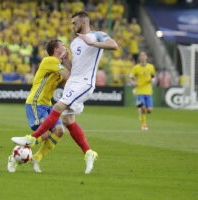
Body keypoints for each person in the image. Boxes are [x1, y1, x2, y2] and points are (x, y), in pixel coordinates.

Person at [11, 11, 118, 174]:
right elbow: (74, 69)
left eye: (74, 23)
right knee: (67, 121)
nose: (73, 26)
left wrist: (92, 43)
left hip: (84, 82)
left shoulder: (98, 35)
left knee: (58, 107)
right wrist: (66, 59)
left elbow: (114, 46)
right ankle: (88, 153)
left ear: (83, 22)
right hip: (73, 82)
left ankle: (32, 138)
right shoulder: (74, 43)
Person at [8, 39, 70, 173]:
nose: (66, 47)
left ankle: (37, 157)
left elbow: (68, 83)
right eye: (63, 45)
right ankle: (14, 156)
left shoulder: (58, 66)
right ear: (56, 49)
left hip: (47, 106)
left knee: (59, 131)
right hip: (36, 103)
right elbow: (68, 75)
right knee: (46, 133)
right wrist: (66, 63)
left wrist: (66, 62)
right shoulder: (50, 61)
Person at [130, 51, 155, 130]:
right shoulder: (136, 68)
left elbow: (153, 77)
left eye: (144, 55)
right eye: (141, 56)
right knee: (143, 108)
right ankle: (144, 125)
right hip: (139, 91)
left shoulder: (151, 67)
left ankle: (140, 112)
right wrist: (133, 82)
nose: (143, 57)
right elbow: (130, 77)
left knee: (150, 111)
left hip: (148, 91)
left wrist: (152, 80)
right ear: (139, 58)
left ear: (146, 57)